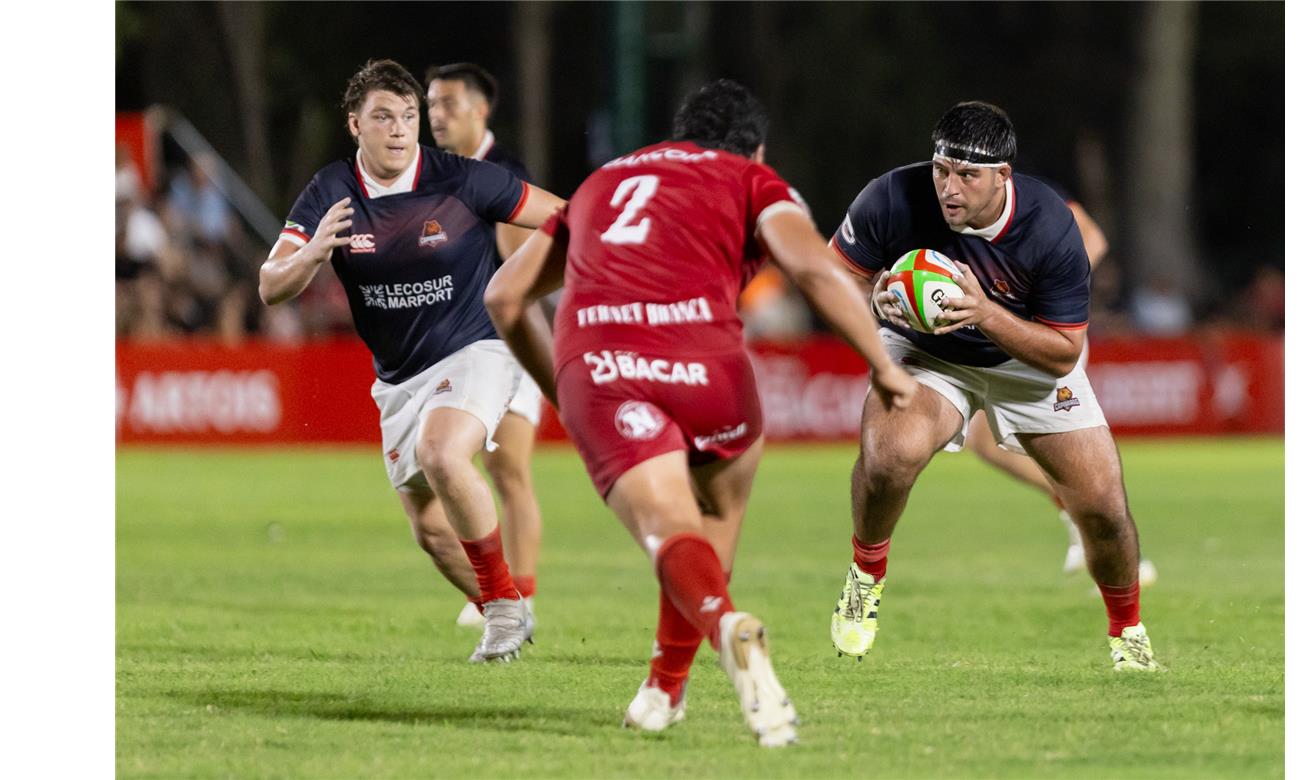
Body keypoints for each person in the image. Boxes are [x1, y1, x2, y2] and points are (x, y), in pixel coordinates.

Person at [484, 80, 917, 745]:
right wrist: (884, 367)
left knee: (668, 527)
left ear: (679, 134)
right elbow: (815, 270)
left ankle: (703, 650)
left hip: (602, 363)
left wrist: (565, 393)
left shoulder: (602, 182)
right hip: (706, 366)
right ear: (758, 147)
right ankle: (672, 682)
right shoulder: (753, 180)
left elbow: (506, 298)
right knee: (712, 517)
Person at [827, 101, 1162, 671]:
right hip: (928, 352)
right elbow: (831, 279)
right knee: (890, 457)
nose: (948, 188)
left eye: (967, 175)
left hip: (1025, 355)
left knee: (1103, 508)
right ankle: (865, 576)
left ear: (1002, 176)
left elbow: (1062, 354)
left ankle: (1127, 630)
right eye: (941, 169)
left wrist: (984, 312)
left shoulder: (1052, 224)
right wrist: (873, 295)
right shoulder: (891, 196)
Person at [258, 59, 567, 663]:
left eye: (408, 117)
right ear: (355, 125)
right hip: (399, 379)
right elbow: (270, 285)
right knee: (429, 531)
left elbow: (566, 218)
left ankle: (503, 611)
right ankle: (508, 604)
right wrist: (313, 252)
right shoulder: (330, 192)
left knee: (443, 452)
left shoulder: (464, 179)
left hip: (477, 347)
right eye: (383, 118)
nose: (399, 130)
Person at [959, 185, 1155, 582]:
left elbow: (1093, 238)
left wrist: (1046, 288)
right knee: (988, 443)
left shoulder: (1032, 195)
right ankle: (1087, 527)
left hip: (1045, 338)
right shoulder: (969, 206)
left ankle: (1115, 549)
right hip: (1015, 337)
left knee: (1061, 456)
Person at [425, 62, 546, 629]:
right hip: (459, 347)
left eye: (449, 103)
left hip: (505, 343)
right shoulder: (438, 176)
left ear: (481, 109)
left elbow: (522, 269)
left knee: (508, 469)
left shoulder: (502, 173)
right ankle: (502, 591)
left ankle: (520, 593)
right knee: (457, 469)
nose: (436, 115)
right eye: (431, 105)